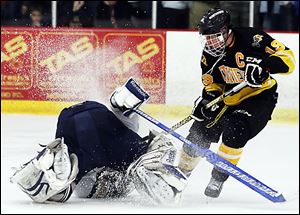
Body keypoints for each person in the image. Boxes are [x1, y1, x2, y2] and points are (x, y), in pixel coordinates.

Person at [177, 8, 295, 198]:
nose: (209, 43)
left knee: (235, 130)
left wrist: (264, 66)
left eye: (214, 37)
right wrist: (207, 101)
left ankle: (218, 177)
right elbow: (212, 83)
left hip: (258, 98)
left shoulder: (252, 38)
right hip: (228, 99)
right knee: (199, 131)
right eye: (206, 38)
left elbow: (289, 60)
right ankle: (180, 174)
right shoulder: (209, 55)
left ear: (225, 31)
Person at [10, 78, 187, 204]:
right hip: (91, 124)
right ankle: (54, 170)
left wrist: (122, 103)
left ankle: (54, 170)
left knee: (77, 178)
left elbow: (125, 119)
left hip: (83, 114)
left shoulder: (119, 149)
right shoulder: (117, 155)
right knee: (78, 179)